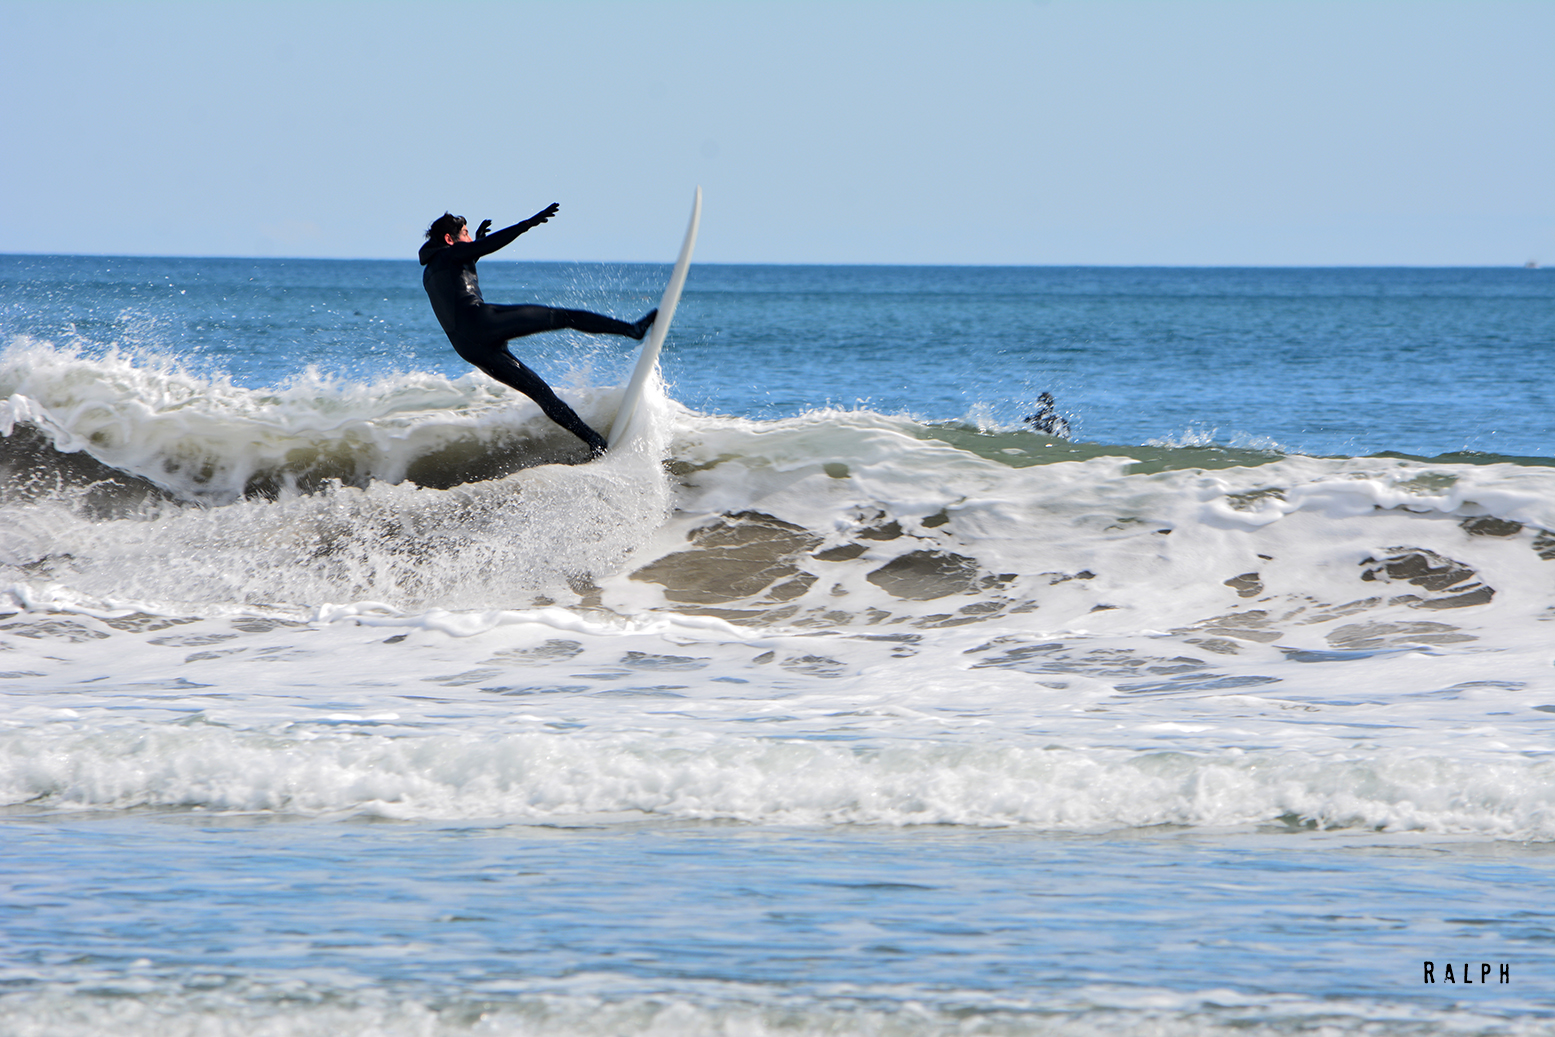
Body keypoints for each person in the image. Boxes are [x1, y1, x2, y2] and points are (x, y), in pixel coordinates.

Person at [419, 204, 656, 457]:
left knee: (541, 393)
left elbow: (459, 271)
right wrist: (526, 224)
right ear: (449, 239)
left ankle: (596, 443)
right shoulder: (451, 254)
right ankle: (631, 330)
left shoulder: (431, 269)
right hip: (482, 322)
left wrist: (474, 242)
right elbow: (488, 246)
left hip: (468, 347)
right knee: (563, 317)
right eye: (464, 233)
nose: (468, 239)